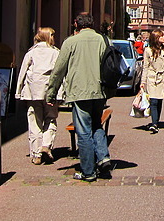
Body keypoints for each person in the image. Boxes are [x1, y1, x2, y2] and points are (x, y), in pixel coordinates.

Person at [46, 13, 111, 182]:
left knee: (83, 132)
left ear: (76, 24)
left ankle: (88, 171)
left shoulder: (70, 42)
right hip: (99, 91)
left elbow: (58, 70)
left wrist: (51, 92)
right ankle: (104, 158)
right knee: (97, 125)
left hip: (79, 91)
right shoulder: (103, 40)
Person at [15, 27, 62, 165]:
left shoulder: (31, 53)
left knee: (34, 122)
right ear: (49, 37)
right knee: (51, 119)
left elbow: (22, 72)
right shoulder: (55, 53)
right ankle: (46, 146)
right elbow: (59, 73)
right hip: (50, 93)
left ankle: (36, 154)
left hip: (32, 93)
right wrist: (62, 93)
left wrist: (18, 91)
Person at [140, 29, 164, 134]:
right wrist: (143, 82)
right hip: (152, 78)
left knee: (159, 101)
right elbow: (145, 67)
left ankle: (156, 121)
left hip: (162, 78)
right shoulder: (148, 50)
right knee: (153, 101)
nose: (163, 38)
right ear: (156, 38)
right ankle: (154, 124)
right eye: (161, 36)